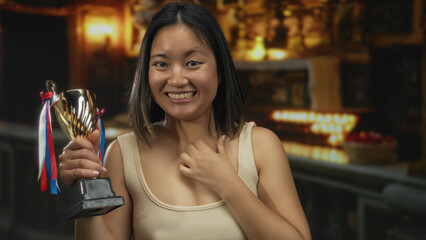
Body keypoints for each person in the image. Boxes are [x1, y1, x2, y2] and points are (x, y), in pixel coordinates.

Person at [59, 1, 311, 240]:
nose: (177, 79)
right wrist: (86, 183)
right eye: (161, 64)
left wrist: (228, 184)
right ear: (146, 73)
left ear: (220, 71)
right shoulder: (123, 154)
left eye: (192, 63)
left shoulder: (261, 146)